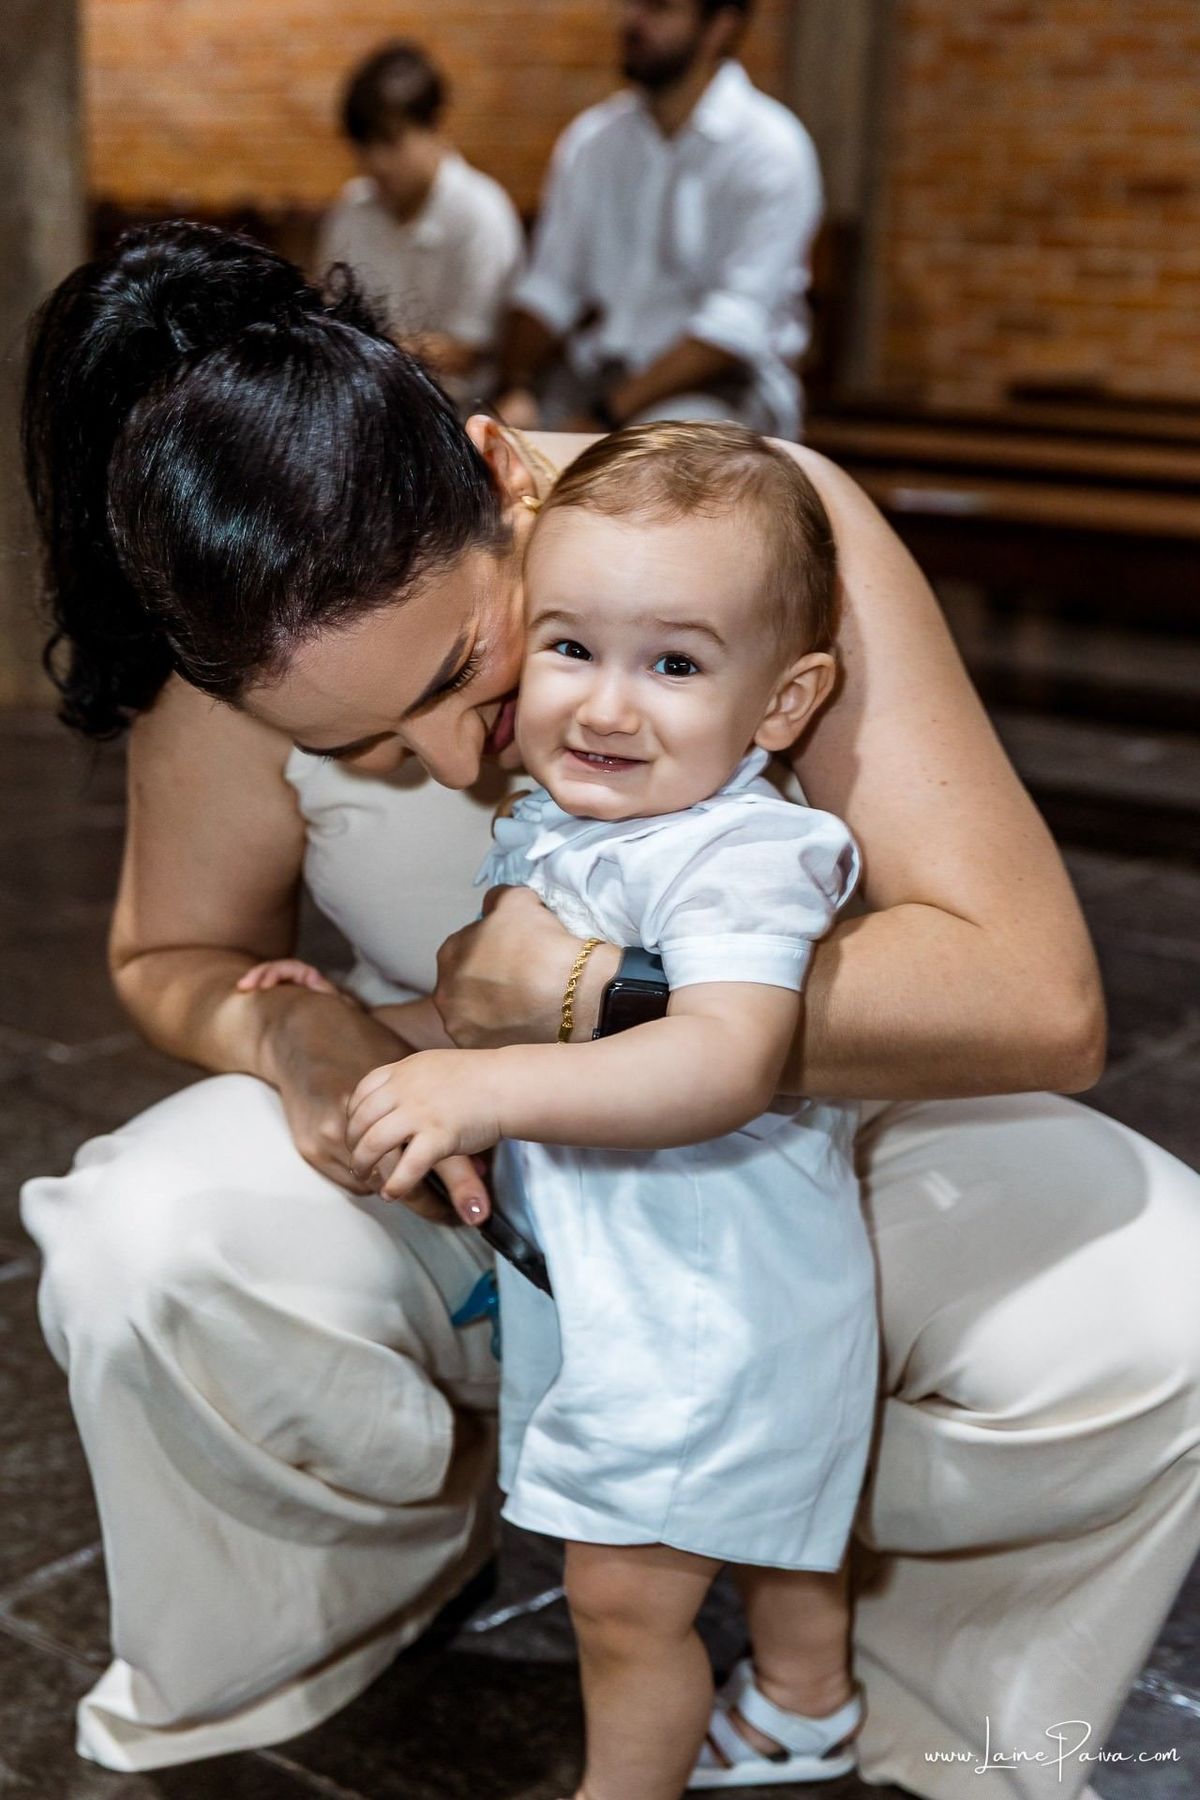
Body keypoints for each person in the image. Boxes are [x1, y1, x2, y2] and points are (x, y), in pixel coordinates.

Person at [17, 222, 1200, 1800]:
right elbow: (171, 953)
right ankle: (333, 1614)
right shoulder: (254, 632)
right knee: (135, 1240)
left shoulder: (749, 534)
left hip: (797, 1162)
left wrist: (592, 998)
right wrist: (292, 1034)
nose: (456, 764)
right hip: (471, 1178)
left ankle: (919, 1709)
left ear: (506, 479)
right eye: (367, 752)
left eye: (464, 668)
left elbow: (1038, 994)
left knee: (1164, 1303)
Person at [275, 422, 877, 1797]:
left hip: (709, 1299)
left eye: (672, 663)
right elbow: (506, 1013)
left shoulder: (743, 854)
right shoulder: (569, 822)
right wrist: (361, 1026)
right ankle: (805, 1706)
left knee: (621, 1603)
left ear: (783, 704)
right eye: (569, 648)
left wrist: (478, 1080)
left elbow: (722, 1057)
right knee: (776, 1526)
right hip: (651, 1280)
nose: (608, 707)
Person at [496, 0, 822, 440]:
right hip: (600, 376)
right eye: (632, 4)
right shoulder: (594, 139)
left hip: (726, 389)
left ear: (720, 26)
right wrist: (517, 390)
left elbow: (732, 328)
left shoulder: (771, 149)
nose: (634, 20)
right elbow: (550, 289)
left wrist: (605, 420)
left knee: (655, 458)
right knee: (479, 442)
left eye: (659, 7)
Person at [317, 40, 523, 410]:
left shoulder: (481, 213)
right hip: (363, 401)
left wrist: (361, 347)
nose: (376, 161)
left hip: (455, 411)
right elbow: (328, 316)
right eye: (364, 145)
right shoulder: (352, 210)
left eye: (391, 140)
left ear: (435, 126)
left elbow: (469, 351)